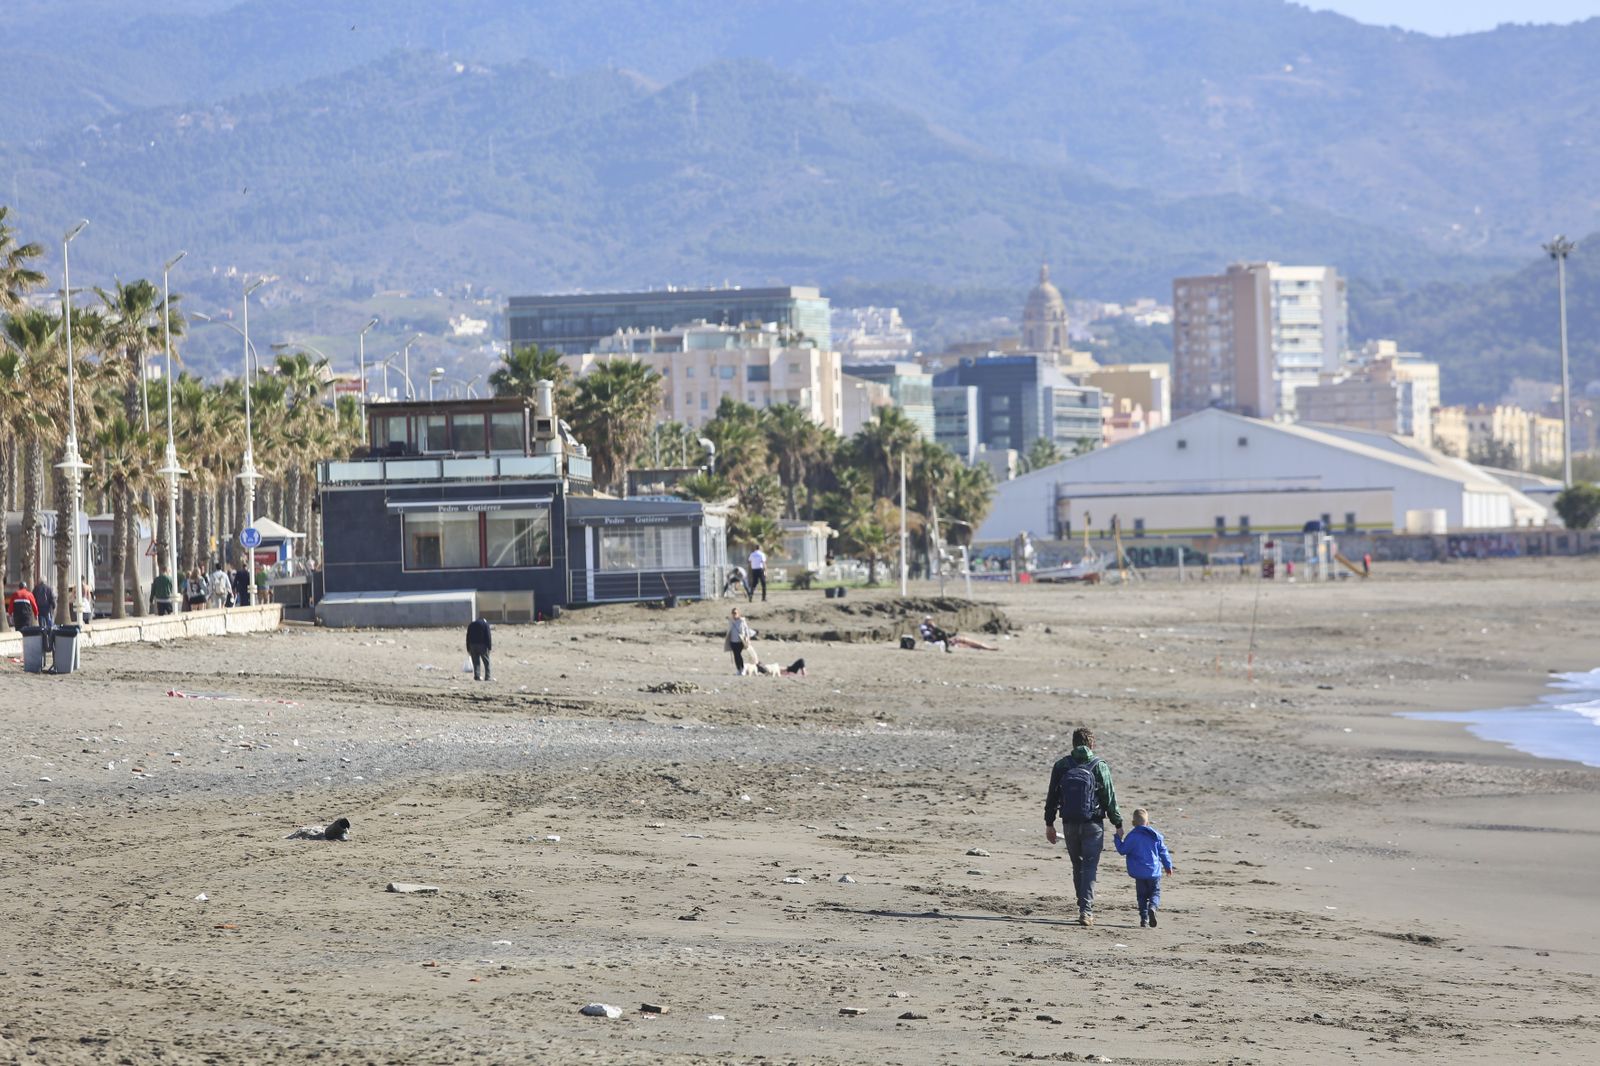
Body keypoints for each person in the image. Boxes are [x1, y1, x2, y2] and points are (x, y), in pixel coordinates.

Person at [1044, 726, 1124, 927]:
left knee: (1077, 865)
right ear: (1092, 744)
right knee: (1089, 866)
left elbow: (1052, 797)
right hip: (1093, 825)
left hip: (1069, 823)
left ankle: (1083, 905)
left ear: (1073, 743)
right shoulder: (1099, 766)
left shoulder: (1062, 765)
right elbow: (1109, 797)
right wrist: (1118, 823)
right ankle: (1086, 910)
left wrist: (1049, 824)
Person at [1113, 807, 1176, 928]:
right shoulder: (1155, 836)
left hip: (1139, 873)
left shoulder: (1132, 836)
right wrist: (1168, 866)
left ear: (1133, 823)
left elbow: (1122, 850)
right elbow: (1163, 852)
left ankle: (1144, 919)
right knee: (1155, 893)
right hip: (1154, 872)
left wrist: (1117, 838)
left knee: (1141, 896)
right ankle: (1152, 907)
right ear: (1147, 823)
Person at [919, 615, 998, 652]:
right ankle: (986, 648)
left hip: (943, 641)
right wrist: (934, 628)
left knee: (965, 640)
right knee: (964, 642)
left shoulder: (931, 627)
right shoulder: (924, 627)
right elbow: (929, 636)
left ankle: (987, 647)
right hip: (937, 642)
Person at [725, 606, 754, 675]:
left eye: (735, 613)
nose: (734, 614)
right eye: (733, 613)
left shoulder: (742, 620)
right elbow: (729, 630)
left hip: (740, 641)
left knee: (738, 654)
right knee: (736, 655)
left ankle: (743, 668)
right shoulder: (731, 621)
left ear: (738, 613)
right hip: (732, 641)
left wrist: (748, 638)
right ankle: (738, 669)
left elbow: (746, 629)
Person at [465, 616, 492, 681]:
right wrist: (489, 647)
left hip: (472, 645)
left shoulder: (471, 624)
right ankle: (487, 677)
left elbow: (467, 637)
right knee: (486, 662)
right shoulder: (485, 624)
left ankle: (477, 676)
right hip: (482, 645)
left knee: (476, 662)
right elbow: (488, 636)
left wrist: (468, 648)